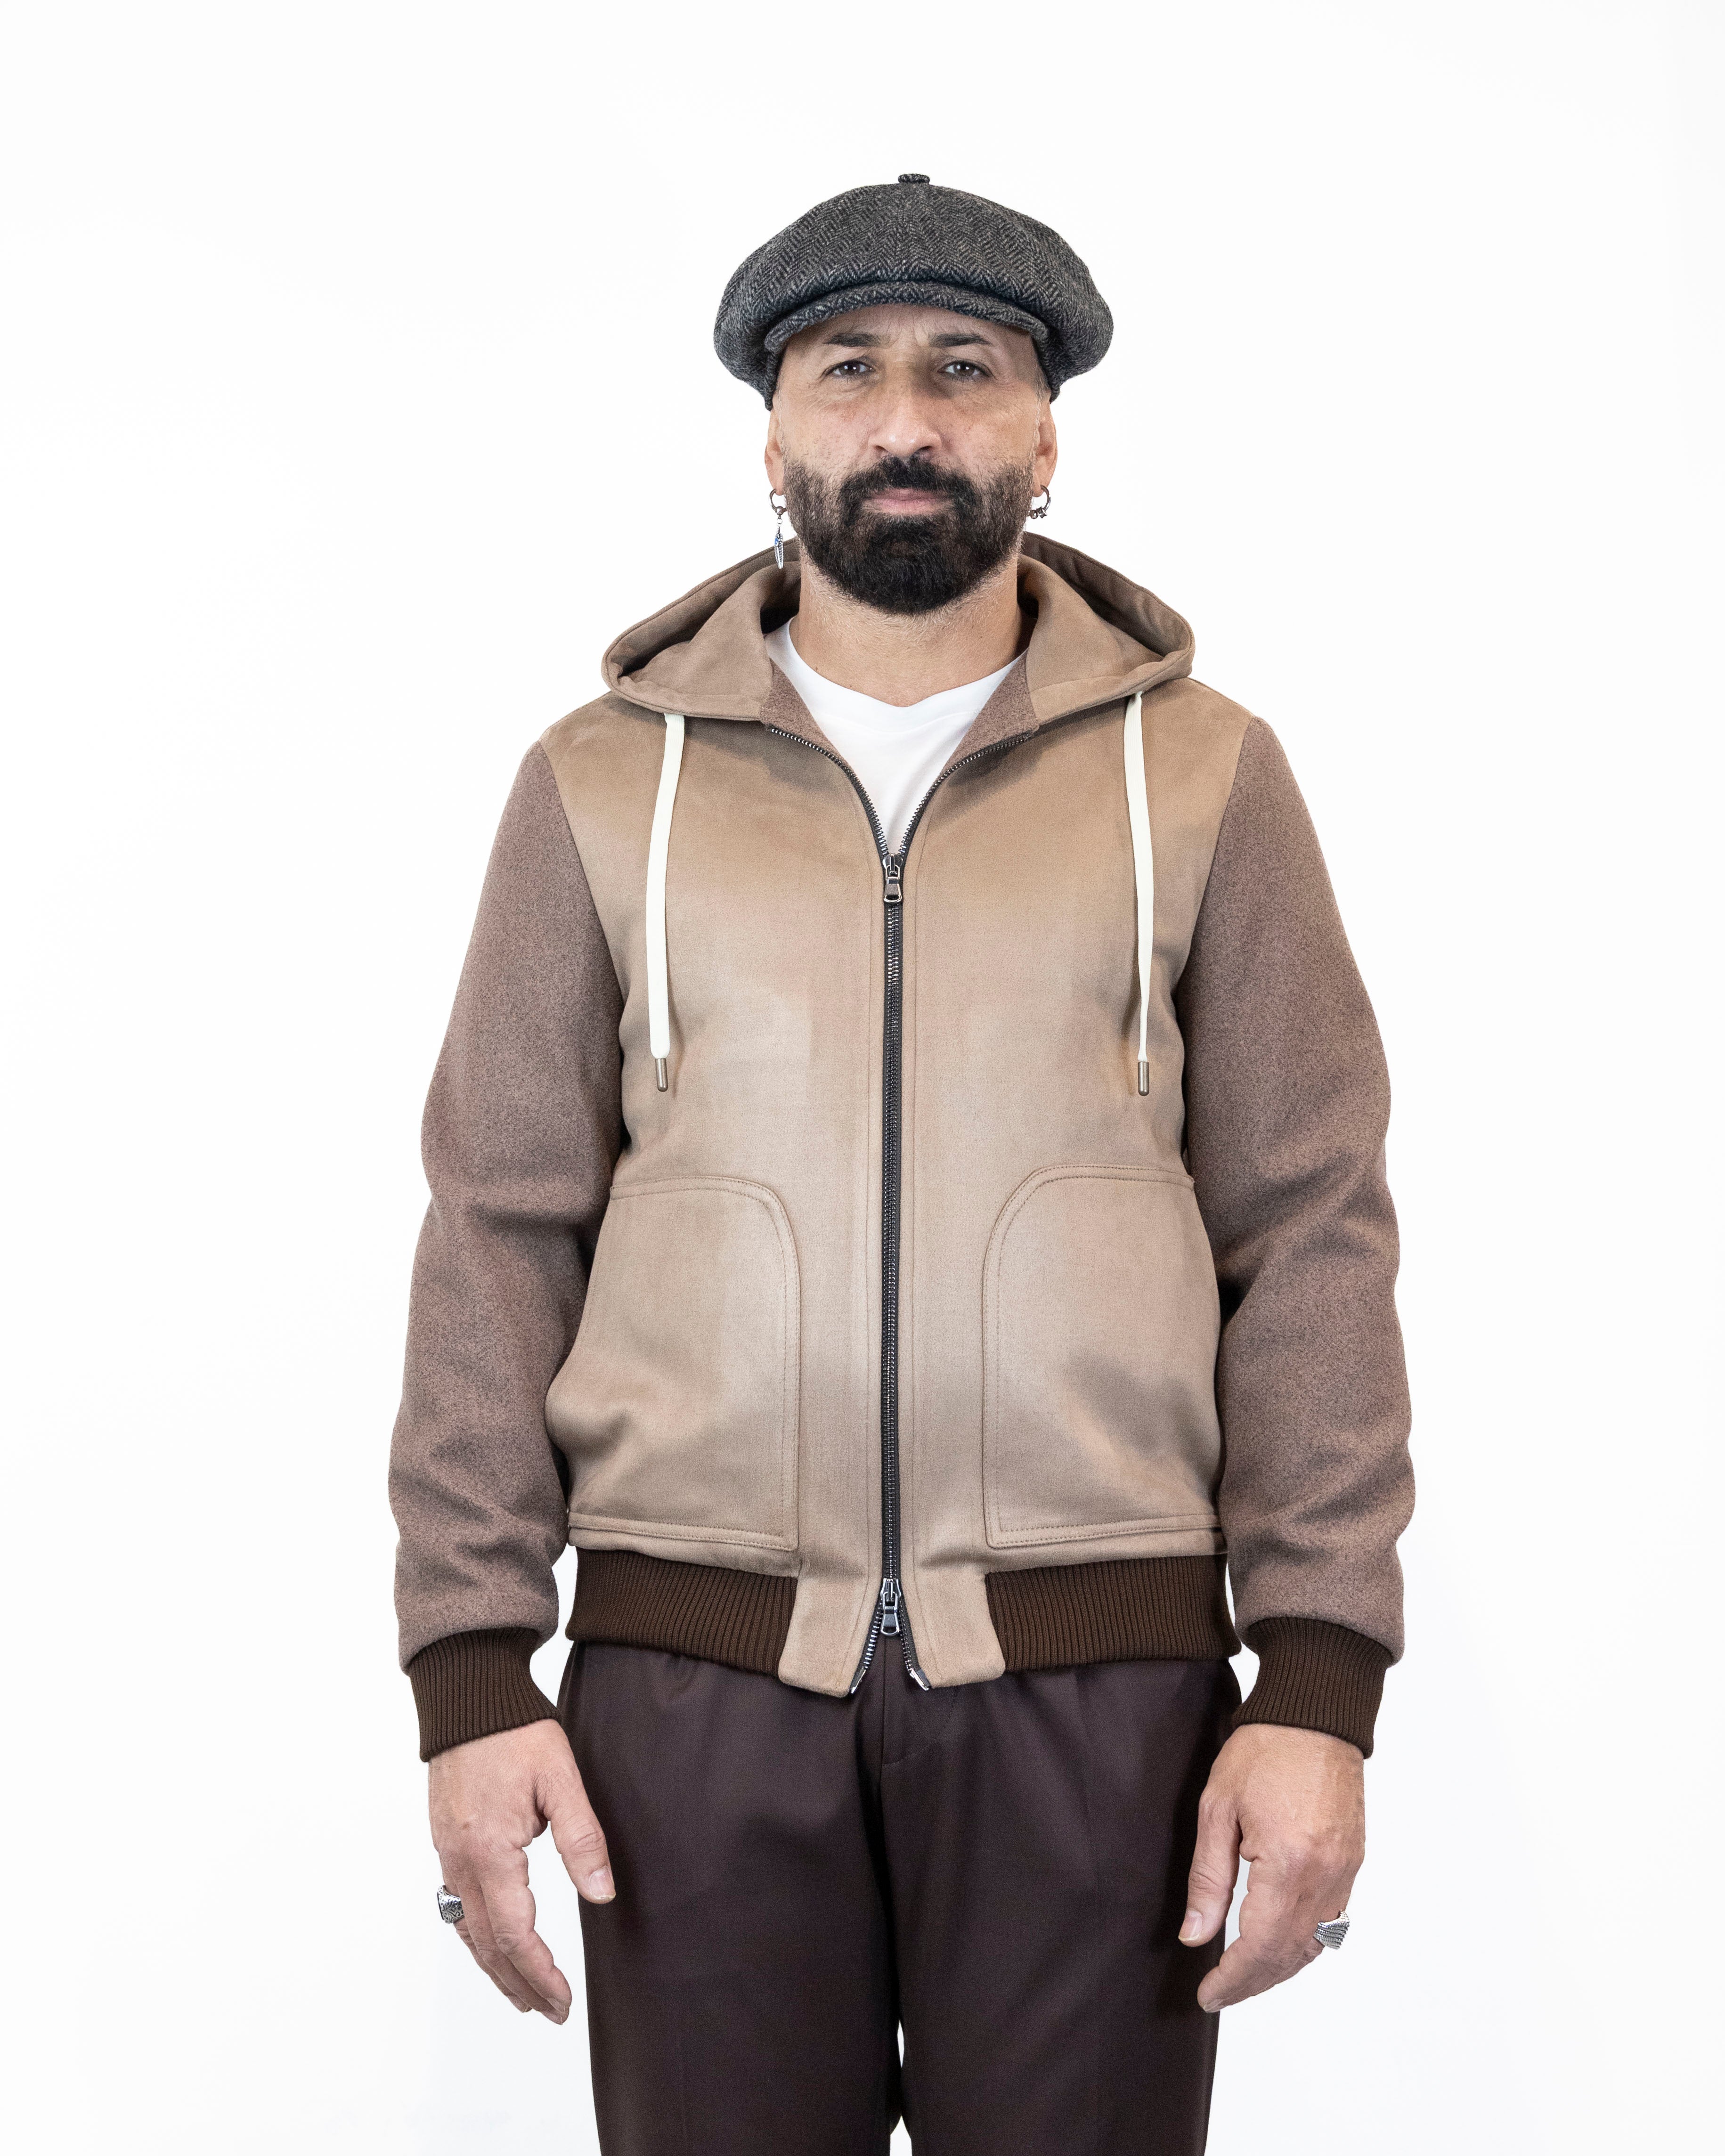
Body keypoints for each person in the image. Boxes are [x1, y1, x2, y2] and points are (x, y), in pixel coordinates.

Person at [389, 174, 1413, 2155]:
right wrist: (469, 1663)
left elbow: (1311, 1229)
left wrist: (1315, 1679)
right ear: (774, 438)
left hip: (1100, 1689)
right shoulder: (599, 784)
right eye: (847, 372)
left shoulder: (1205, 774)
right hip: (690, 1690)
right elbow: (497, 1232)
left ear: (1046, 434)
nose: (907, 420)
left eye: (966, 369)